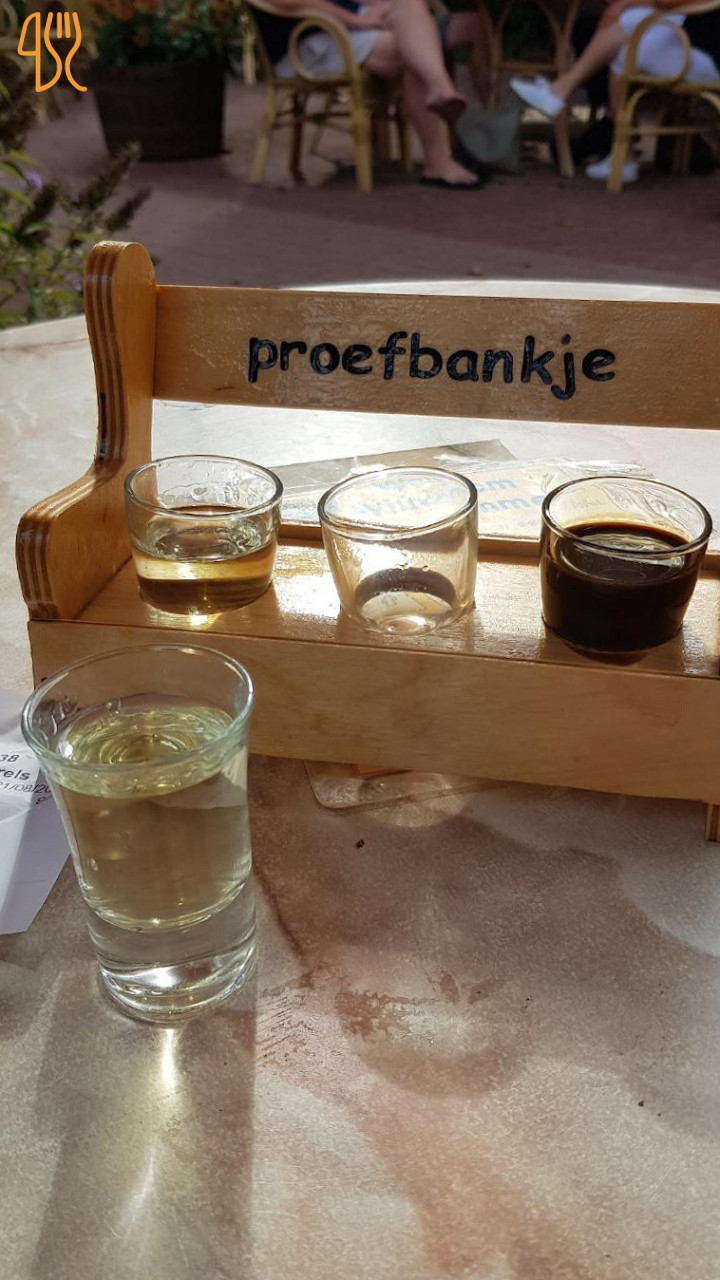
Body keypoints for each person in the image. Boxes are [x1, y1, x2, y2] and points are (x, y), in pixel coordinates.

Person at [252, 0, 483, 187]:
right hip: (310, 38)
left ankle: (446, 96)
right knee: (414, 51)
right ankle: (439, 160)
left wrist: (377, 5)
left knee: (425, 13)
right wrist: (357, 19)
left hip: (345, 24)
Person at [510, 2, 720, 182]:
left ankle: (621, 153)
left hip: (709, 56)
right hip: (697, 39)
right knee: (623, 35)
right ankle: (619, 152)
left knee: (624, 34)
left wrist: (624, 3)